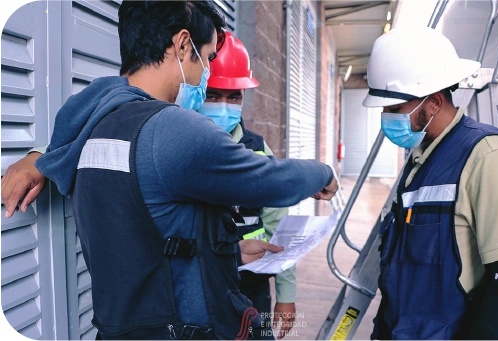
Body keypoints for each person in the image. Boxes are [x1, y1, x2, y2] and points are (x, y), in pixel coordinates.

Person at [0, 1, 338, 340]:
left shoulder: (90, 124)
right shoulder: (174, 130)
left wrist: (231, 252)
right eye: (206, 58)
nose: (205, 73)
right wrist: (323, 173)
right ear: (181, 44)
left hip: (121, 327)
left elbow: (149, 232)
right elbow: (271, 181)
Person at [363, 26, 498, 341]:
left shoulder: (488, 155)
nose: (386, 117)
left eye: (394, 109)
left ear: (433, 102)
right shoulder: (422, 157)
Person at [198, 31, 297, 338]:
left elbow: (280, 226)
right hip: (202, 287)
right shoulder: (180, 147)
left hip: (253, 290)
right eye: (213, 95)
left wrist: (287, 295)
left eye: (234, 96)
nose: (224, 105)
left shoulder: (258, 151)